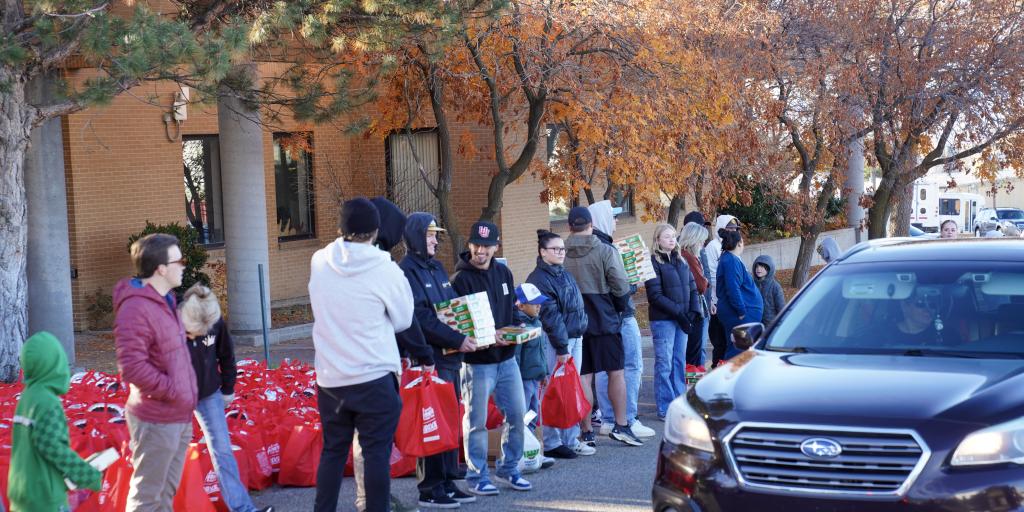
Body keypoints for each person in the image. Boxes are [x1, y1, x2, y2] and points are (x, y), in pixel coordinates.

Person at [309, 197, 415, 512]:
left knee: (332, 452)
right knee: (375, 455)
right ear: (376, 230)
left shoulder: (319, 261)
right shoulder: (385, 268)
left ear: (340, 228)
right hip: (374, 376)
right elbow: (404, 319)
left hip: (331, 378)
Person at [352, 197, 437, 512]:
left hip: (345, 362)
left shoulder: (339, 262)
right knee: (376, 438)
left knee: (362, 437)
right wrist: (424, 354)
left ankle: (370, 498)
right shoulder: (381, 266)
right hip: (376, 361)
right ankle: (375, 501)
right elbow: (405, 319)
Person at [114, 233, 198, 511]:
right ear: (161, 268)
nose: (184, 266)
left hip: (178, 415)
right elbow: (132, 366)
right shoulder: (135, 308)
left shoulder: (167, 301)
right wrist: (173, 391)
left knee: (164, 497)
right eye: (179, 261)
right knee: (147, 498)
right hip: (157, 418)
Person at [398, 212, 477, 509]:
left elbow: (452, 308)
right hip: (430, 360)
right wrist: (457, 339)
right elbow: (420, 317)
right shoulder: (407, 272)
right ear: (416, 237)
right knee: (431, 422)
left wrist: (473, 331)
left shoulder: (437, 268)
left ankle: (446, 480)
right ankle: (430, 488)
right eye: (430, 235)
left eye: (436, 235)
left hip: (450, 360)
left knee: (447, 422)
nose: (435, 240)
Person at [452, 221, 532, 496]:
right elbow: (457, 326)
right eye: (476, 244)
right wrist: (489, 336)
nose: (481, 250)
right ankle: (476, 476)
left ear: (496, 247)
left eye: (486, 246)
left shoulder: (504, 272)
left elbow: (510, 311)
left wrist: (518, 326)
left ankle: (509, 469)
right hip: (476, 364)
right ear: (469, 245)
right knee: (476, 422)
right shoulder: (459, 280)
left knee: (517, 415)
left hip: (507, 359)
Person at [179, 285, 272, 512]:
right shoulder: (170, 322)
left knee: (222, 450)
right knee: (170, 454)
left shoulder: (214, 319)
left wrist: (228, 388)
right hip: (176, 396)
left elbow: (226, 355)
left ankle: (242, 508)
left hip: (208, 393)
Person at [562, 206, 644, 447]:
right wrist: (619, 305)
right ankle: (621, 425)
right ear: (591, 225)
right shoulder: (604, 250)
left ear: (569, 227)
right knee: (615, 372)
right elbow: (620, 285)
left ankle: (587, 431)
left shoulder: (560, 251)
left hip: (575, 322)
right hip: (604, 318)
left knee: (584, 377)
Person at [8, 332, 102, 512]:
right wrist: (88, 475)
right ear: (54, 365)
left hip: (21, 490)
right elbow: (54, 448)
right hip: (44, 495)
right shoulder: (48, 402)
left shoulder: (28, 396)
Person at [589, 201, 656, 440]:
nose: (616, 221)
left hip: (603, 316)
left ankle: (609, 419)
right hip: (621, 314)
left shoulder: (592, 246)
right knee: (630, 366)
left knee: (605, 369)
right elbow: (618, 285)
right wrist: (632, 284)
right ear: (602, 219)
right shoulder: (607, 248)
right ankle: (628, 418)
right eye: (613, 217)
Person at [526, 230, 594, 458]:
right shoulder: (539, 279)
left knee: (569, 390)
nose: (561, 252)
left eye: (562, 249)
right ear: (542, 252)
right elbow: (551, 317)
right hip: (556, 342)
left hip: (574, 338)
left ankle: (570, 439)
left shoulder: (562, 273)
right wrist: (563, 347)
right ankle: (552, 441)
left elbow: (575, 305)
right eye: (555, 249)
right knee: (553, 392)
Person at [645, 224, 702, 419]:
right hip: (664, 321)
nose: (672, 239)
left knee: (679, 361)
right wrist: (679, 313)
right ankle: (665, 407)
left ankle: (680, 402)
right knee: (664, 364)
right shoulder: (653, 262)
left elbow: (693, 287)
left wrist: (693, 311)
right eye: (667, 236)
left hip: (682, 319)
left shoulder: (681, 260)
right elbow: (655, 295)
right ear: (658, 240)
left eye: (673, 236)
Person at [512, 283, 554, 467]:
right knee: (522, 415)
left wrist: (544, 372)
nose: (539, 306)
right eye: (534, 303)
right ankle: (520, 453)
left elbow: (541, 351)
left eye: (540, 303)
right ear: (521, 305)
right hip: (523, 379)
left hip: (535, 378)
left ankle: (531, 450)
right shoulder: (519, 326)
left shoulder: (537, 322)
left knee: (533, 415)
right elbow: (516, 356)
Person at [716, 229, 764, 360]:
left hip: (741, 314)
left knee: (738, 349)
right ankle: (733, 373)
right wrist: (741, 310)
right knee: (738, 352)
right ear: (739, 243)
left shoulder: (729, 259)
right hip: (739, 315)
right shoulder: (731, 261)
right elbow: (732, 288)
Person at [706, 214, 740, 366]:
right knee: (719, 342)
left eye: (735, 228)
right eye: (730, 228)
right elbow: (712, 275)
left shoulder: (734, 245)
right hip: (718, 302)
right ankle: (716, 370)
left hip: (730, 301)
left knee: (730, 342)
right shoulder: (713, 247)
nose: (733, 231)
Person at [682, 212, 714, 366]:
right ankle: (694, 380)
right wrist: (705, 282)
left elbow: (704, 276)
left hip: (699, 306)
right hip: (693, 310)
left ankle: (695, 378)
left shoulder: (690, 255)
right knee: (694, 355)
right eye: (701, 240)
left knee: (696, 352)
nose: (703, 243)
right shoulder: (689, 257)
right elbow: (701, 284)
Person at [752, 255, 786, 326]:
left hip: (771, 325)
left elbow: (781, 310)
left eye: (761, 267)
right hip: (756, 324)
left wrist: (779, 327)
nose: (758, 269)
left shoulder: (775, 287)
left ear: (769, 268)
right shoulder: (752, 284)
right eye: (757, 266)